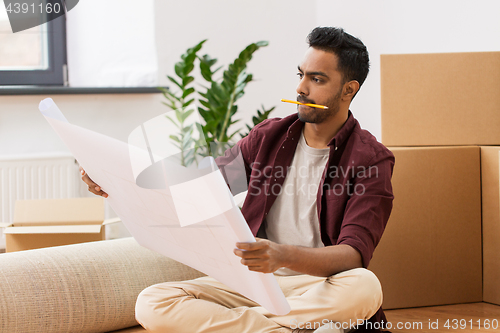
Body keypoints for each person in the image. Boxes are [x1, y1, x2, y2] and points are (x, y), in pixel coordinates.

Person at [81, 27, 394, 333]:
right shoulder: (268, 137)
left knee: (365, 287)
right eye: (300, 75)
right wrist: (117, 181)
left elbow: (352, 255)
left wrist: (282, 255)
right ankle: (292, 328)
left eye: (317, 79)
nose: (301, 88)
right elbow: (203, 186)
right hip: (255, 283)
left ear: (348, 90)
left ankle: (257, 325)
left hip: (320, 287)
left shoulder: (371, 160)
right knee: (153, 301)